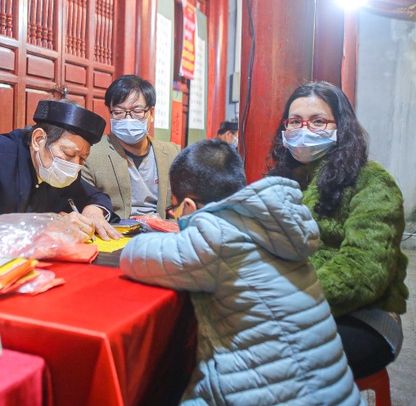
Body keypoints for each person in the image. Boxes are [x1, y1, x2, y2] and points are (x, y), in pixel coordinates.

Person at [119, 139, 363, 405]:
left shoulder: (218, 237)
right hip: (334, 393)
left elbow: (135, 256)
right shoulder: (271, 224)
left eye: (174, 209)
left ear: (187, 207)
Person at [266, 80, 409, 380]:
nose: (304, 129)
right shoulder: (279, 181)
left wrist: (285, 297)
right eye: (295, 121)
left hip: (365, 318)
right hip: (288, 313)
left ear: (340, 127)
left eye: (318, 121)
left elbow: (364, 271)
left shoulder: (372, 184)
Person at [0, 99, 121, 241]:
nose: (74, 166)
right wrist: (47, 226)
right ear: (39, 140)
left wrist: (93, 214)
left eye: (82, 159)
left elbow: (95, 196)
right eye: (69, 154)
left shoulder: (61, 171)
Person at [81, 75, 180, 219]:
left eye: (137, 111)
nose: (128, 119)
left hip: (161, 233)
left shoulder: (172, 153)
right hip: (116, 233)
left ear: (151, 113)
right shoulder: (91, 154)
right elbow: (85, 204)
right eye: (119, 112)